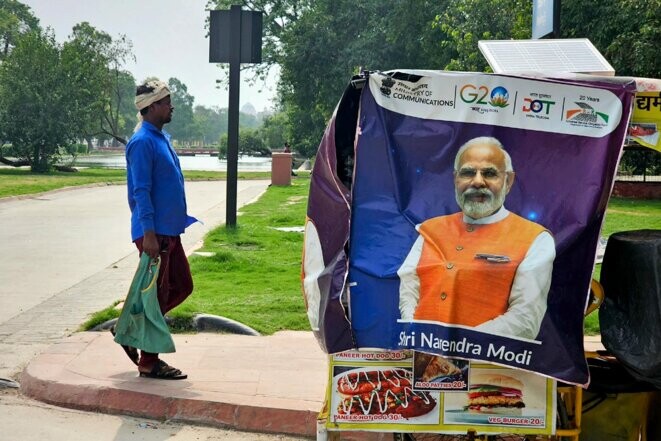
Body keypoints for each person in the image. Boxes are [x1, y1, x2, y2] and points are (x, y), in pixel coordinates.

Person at [398, 136, 555, 340]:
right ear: (456, 179)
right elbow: (409, 286)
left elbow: (525, 319)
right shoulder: (430, 229)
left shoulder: (536, 239)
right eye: (468, 173)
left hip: (489, 366)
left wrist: (460, 346)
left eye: (489, 173)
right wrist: (416, 334)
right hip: (422, 355)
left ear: (508, 181)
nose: (478, 181)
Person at [121, 79, 197, 379]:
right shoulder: (142, 142)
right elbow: (140, 191)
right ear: (151, 107)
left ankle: (131, 328)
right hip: (155, 235)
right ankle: (149, 361)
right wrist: (149, 233)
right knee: (157, 294)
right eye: (166, 102)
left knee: (181, 286)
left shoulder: (159, 138)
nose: (171, 106)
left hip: (168, 232)